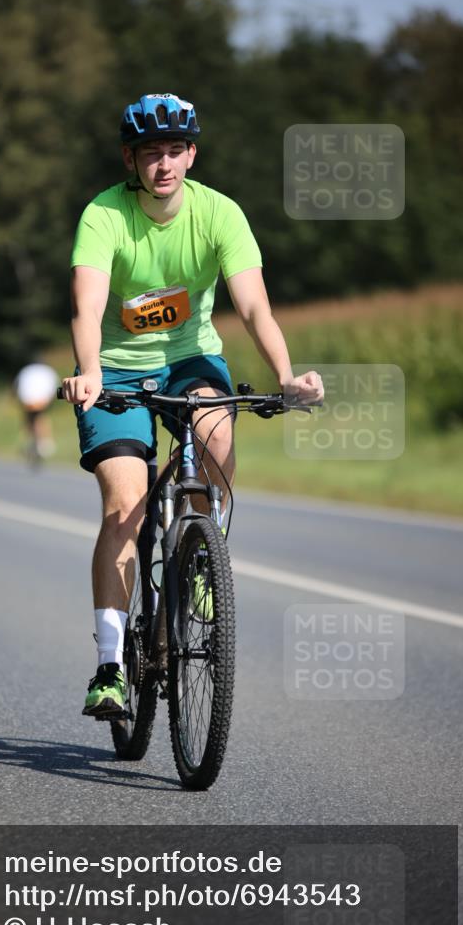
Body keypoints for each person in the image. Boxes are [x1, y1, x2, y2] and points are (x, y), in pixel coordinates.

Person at [61, 93, 323, 717]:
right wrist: (92, 372)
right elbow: (87, 307)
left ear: (192, 154)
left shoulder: (220, 214)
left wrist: (286, 376)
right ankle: (108, 666)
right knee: (125, 504)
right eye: (151, 153)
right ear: (131, 159)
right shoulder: (104, 215)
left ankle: (202, 553)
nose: (164, 164)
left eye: (175, 151)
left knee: (216, 434)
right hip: (117, 367)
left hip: (189, 358)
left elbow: (254, 305)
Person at [13, 361, 59, 462]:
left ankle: (35, 442)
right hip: (42, 398)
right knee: (40, 417)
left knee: (30, 418)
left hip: (27, 398)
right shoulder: (47, 370)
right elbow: (54, 385)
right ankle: (43, 442)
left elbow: (17, 385)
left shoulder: (26, 370)